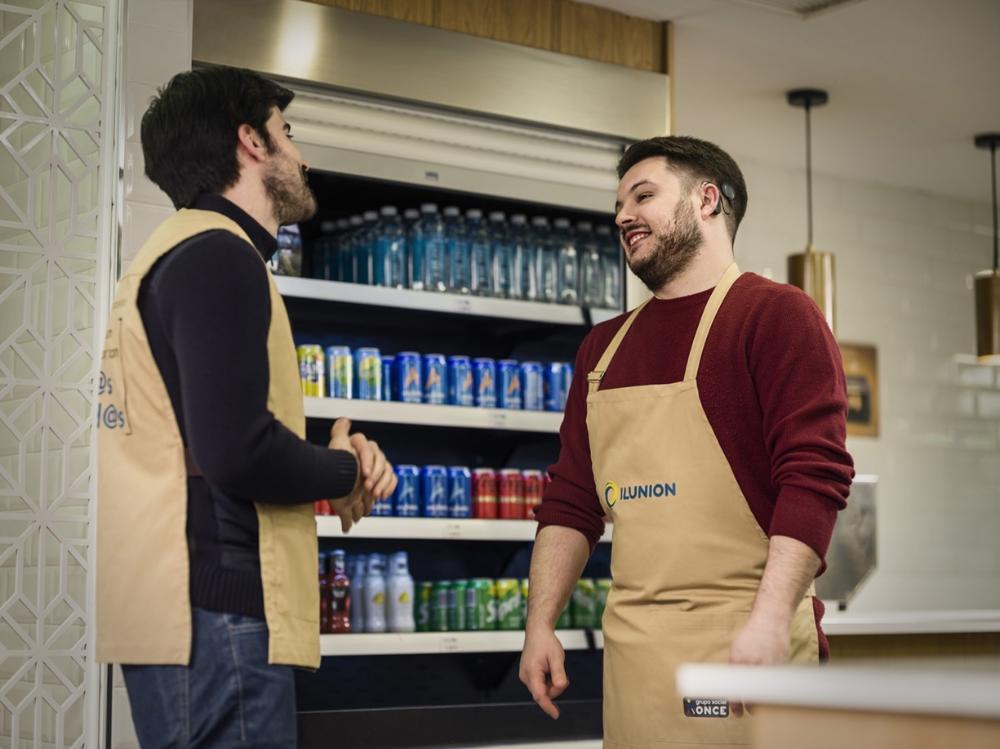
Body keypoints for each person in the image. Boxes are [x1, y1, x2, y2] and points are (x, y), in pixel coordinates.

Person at [96, 66, 397, 748]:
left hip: (178, 608)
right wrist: (345, 469)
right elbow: (237, 451)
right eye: (287, 133)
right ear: (250, 143)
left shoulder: (170, 256)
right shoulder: (218, 258)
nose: (302, 154)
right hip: (220, 618)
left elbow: (207, 442)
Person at [519, 136, 854, 747]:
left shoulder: (775, 315)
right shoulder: (601, 349)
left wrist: (771, 619)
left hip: (748, 643)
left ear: (706, 200)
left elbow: (814, 477)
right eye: (618, 202)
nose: (623, 215)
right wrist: (539, 623)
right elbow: (571, 501)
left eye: (643, 195)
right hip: (637, 661)